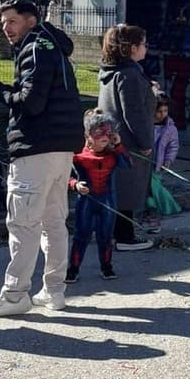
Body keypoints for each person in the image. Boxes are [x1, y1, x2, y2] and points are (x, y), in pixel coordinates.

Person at [0, 0, 84, 316]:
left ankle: (15, 294)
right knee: (53, 222)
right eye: (3, 22)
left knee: (23, 224)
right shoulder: (52, 47)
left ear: (30, 21)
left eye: (12, 21)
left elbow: (30, 103)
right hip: (61, 148)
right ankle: (53, 291)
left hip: (35, 148)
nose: (6, 28)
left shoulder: (35, 48)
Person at [98, 24, 158, 251]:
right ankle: (124, 237)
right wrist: (145, 143)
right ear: (132, 48)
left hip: (112, 140)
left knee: (117, 188)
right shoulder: (129, 74)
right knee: (128, 189)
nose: (146, 48)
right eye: (144, 44)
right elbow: (133, 113)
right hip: (129, 143)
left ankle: (113, 234)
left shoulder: (109, 71)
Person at [66, 109, 129, 284]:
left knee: (106, 236)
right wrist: (75, 185)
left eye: (109, 132)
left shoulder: (114, 155)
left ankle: (107, 267)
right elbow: (63, 176)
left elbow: (127, 164)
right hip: (87, 201)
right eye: (99, 132)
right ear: (88, 135)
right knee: (81, 235)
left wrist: (118, 145)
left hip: (108, 200)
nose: (105, 136)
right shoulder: (78, 157)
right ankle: (73, 269)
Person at [142, 92, 181, 235]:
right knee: (144, 194)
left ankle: (154, 219)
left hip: (156, 167)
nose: (162, 114)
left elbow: (173, 146)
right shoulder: (145, 125)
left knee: (154, 193)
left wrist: (168, 160)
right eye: (159, 111)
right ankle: (145, 218)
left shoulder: (170, 128)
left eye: (165, 111)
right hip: (143, 165)